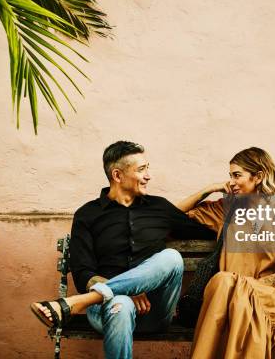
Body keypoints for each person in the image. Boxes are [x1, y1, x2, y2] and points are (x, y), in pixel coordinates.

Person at [30, 141, 213, 359]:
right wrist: (125, 291)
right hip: (107, 311)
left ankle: (73, 304)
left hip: (154, 311)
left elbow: (208, 232)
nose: (148, 176)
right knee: (121, 303)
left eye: (148, 168)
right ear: (117, 175)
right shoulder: (87, 215)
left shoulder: (159, 208)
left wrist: (209, 192)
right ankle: (96, 299)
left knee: (172, 257)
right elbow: (83, 275)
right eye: (141, 170)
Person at [176, 147, 275, 359]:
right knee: (225, 285)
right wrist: (209, 189)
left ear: (258, 176)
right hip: (228, 294)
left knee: (225, 284)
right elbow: (172, 214)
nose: (231, 182)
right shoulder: (227, 210)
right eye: (230, 176)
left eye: (237, 175)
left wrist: (244, 287)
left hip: (271, 296)